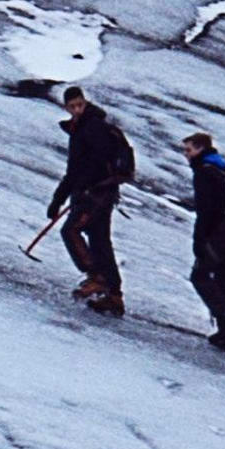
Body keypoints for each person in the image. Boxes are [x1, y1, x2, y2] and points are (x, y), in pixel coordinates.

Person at [50, 89, 132, 310]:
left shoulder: (92, 127)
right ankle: (114, 295)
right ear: (67, 107)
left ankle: (96, 277)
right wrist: (58, 199)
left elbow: (93, 164)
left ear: (85, 103)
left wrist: (84, 189)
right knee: (99, 240)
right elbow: (73, 170)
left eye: (80, 104)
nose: (77, 109)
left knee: (71, 231)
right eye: (72, 106)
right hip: (99, 193)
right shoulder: (81, 129)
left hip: (95, 194)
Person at [184, 132, 225, 352]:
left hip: (217, 235)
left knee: (200, 276)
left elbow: (206, 209)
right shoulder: (223, 170)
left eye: (189, 150)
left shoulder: (204, 172)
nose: (186, 155)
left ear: (201, 149)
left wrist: (199, 240)